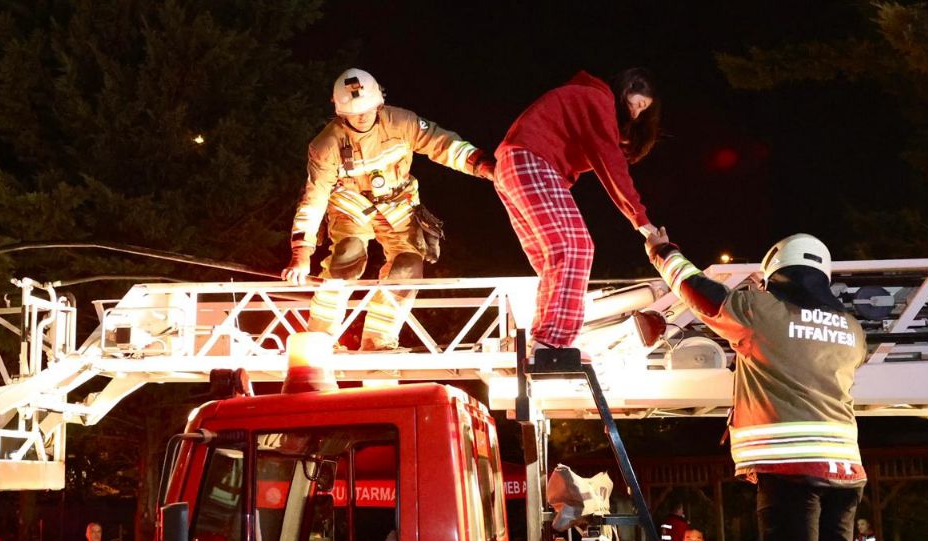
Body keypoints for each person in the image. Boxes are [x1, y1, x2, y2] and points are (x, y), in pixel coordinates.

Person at [646, 230, 874, 541]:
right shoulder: (852, 329)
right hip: (846, 467)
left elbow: (699, 292)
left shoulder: (761, 311)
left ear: (777, 272)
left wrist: (663, 251)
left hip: (790, 468)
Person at [281, 68, 495, 351]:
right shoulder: (326, 145)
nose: (362, 117)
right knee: (347, 255)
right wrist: (301, 252)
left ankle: (378, 341)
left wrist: (481, 164)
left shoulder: (403, 123)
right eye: (355, 113)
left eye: (368, 109)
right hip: (351, 203)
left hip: (398, 203)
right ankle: (319, 338)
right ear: (340, 112)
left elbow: (441, 143)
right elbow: (315, 197)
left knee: (408, 266)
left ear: (379, 102)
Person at [495, 69, 661, 351]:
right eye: (638, 103)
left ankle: (542, 340)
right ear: (626, 88)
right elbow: (611, 164)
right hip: (531, 160)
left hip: (512, 167)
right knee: (576, 246)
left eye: (642, 111)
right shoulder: (596, 100)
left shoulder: (582, 99)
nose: (636, 113)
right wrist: (642, 221)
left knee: (551, 260)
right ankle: (553, 343)